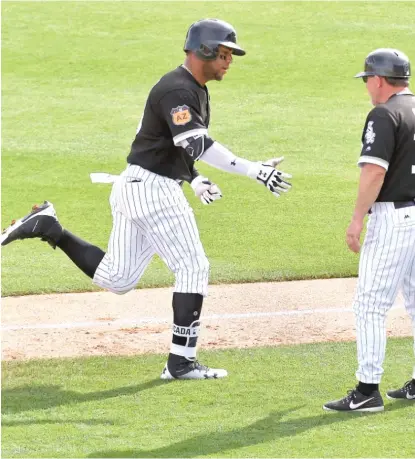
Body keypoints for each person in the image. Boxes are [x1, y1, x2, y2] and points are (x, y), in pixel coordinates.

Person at [1, 18, 292, 380]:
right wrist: (254, 170)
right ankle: (181, 362)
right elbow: (197, 144)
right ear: (205, 50)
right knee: (193, 268)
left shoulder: (191, 88)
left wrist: (196, 177)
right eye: (225, 53)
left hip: (135, 186)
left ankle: (50, 227)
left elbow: (173, 144)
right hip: (153, 192)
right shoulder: (178, 90)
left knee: (117, 278)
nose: (229, 60)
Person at [323, 48, 415, 412]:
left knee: (370, 305)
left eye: (367, 81)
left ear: (378, 79)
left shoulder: (385, 113)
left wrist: (357, 218)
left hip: (393, 220)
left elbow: (374, 172)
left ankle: (367, 391)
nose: (367, 89)